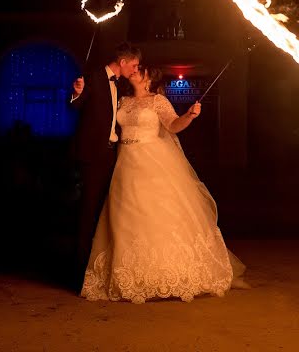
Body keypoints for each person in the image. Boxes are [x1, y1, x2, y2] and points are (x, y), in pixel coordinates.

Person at [81, 66, 247, 303]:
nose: (136, 71)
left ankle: (166, 274)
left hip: (152, 160)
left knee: (155, 212)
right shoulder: (123, 99)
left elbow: (172, 125)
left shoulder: (158, 101)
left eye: (141, 69)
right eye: (135, 68)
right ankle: (131, 276)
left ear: (149, 77)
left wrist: (189, 115)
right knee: (125, 215)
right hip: (125, 162)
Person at [69, 42, 142, 288]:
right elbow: (76, 106)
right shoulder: (93, 77)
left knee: (108, 212)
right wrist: (77, 92)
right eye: (134, 65)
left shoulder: (121, 83)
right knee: (88, 212)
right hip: (93, 156)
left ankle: (103, 268)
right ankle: (80, 272)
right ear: (122, 62)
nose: (136, 69)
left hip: (115, 156)